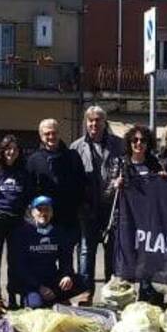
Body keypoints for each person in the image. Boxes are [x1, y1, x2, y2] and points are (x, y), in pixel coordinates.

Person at [70, 105, 124, 304]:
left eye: (98, 120)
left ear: (104, 122)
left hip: (113, 206)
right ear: (86, 123)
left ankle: (112, 293)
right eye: (90, 120)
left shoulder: (120, 145)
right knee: (86, 250)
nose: (94, 124)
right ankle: (85, 292)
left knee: (113, 250)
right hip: (86, 207)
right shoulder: (76, 147)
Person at [108, 124, 165, 302]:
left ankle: (148, 298)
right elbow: (107, 192)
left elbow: (163, 194)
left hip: (149, 223)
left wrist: (164, 181)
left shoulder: (154, 164)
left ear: (148, 144)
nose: (139, 143)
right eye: (135, 140)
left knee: (148, 261)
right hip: (126, 223)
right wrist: (114, 184)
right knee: (128, 262)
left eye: (143, 140)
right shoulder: (120, 162)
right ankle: (125, 299)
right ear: (129, 142)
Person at [9, 196, 87, 308]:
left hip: (51, 278)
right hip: (32, 283)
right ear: (32, 212)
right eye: (39, 210)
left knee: (81, 283)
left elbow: (65, 258)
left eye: (47, 210)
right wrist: (39, 287)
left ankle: (55, 298)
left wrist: (66, 275)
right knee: (36, 305)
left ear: (52, 212)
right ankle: (42, 299)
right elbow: (20, 267)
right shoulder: (23, 233)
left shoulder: (58, 232)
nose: (43, 213)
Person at [26, 118, 86, 254]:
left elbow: (81, 183)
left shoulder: (72, 156)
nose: (51, 137)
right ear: (41, 136)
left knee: (67, 254)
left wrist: (77, 205)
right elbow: (29, 189)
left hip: (68, 217)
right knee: (45, 255)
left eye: (54, 133)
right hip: (44, 217)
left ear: (59, 134)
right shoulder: (33, 160)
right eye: (47, 134)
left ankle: (66, 275)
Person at [0, 135, 31, 306]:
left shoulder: (24, 173)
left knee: (15, 261)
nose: (11, 152)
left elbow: (28, 195)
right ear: (2, 150)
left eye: (14, 149)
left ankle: (13, 294)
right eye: (7, 148)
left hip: (17, 221)